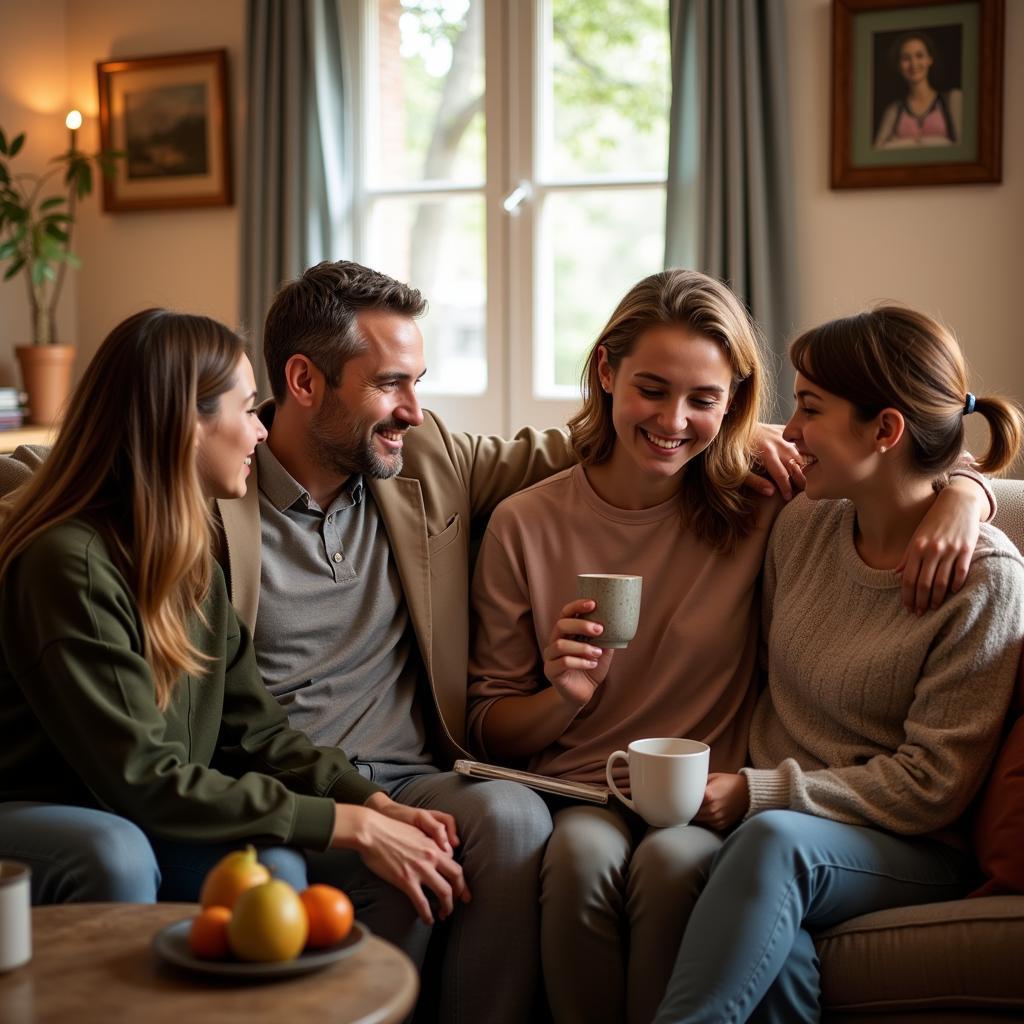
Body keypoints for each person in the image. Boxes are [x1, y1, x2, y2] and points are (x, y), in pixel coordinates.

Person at [466, 272, 994, 1024]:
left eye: (704, 400)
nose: (673, 420)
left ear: (734, 403)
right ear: (607, 373)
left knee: (673, 865)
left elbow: (915, 453)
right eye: (651, 388)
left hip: (711, 793)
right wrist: (563, 698)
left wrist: (965, 495)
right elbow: (487, 722)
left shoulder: (763, 504)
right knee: (581, 860)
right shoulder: (525, 523)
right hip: (581, 786)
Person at [0, 309, 466, 914]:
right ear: (183, 424)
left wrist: (372, 804)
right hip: (59, 814)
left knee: (271, 870)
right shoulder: (70, 563)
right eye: (248, 410)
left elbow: (257, 731)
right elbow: (145, 777)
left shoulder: (190, 557)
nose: (263, 433)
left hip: (135, 810)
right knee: (112, 852)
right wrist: (345, 826)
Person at [653, 305, 1024, 1024]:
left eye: (810, 409)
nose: (789, 430)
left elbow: (932, 786)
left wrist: (760, 793)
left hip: (905, 846)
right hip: (781, 838)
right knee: (775, 944)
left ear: (885, 431)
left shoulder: (986, 580)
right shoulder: (805, 523)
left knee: (772, 846)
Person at [874, 31, 962, 149]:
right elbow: (877, 152)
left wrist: (899, 143)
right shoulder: (894, 110)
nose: (913, 64)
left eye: (919, 56)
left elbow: (965, 149)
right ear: (899, 65)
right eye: (906, 58)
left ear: (930, 60)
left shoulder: (953, 99)